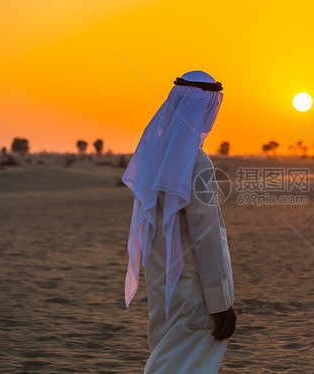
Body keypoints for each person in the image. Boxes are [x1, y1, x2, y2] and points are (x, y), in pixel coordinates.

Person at [122, 71, 236, 373]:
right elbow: (206, 236)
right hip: (193, 294)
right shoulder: (196, 162)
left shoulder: (153, 154)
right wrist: (220, 303)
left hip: (163, 289)